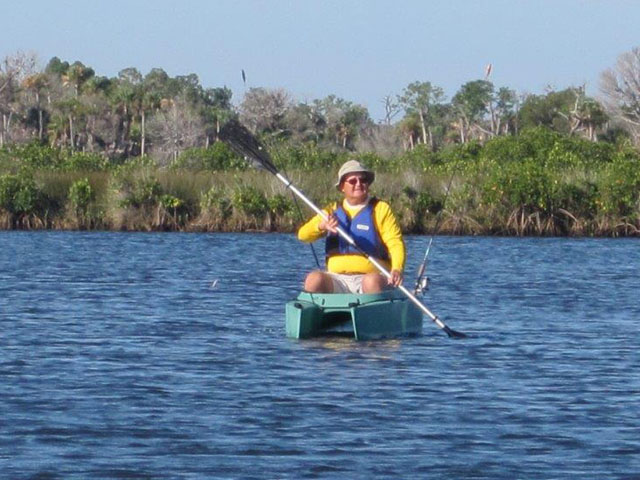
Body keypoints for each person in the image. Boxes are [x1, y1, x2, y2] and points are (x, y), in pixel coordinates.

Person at [297, 159, 405, 294]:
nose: (358, 184)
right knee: (313, 280)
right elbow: (302, 235)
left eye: (363, 180)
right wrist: (321, 226)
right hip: (337, 279)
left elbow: (395, 243)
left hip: (371, 277)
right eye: (353, 181)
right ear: (342, 186)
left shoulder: (381, 209)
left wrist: (397, 269)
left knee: (370, 281)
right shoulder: (331, 211)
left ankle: (372, 311)